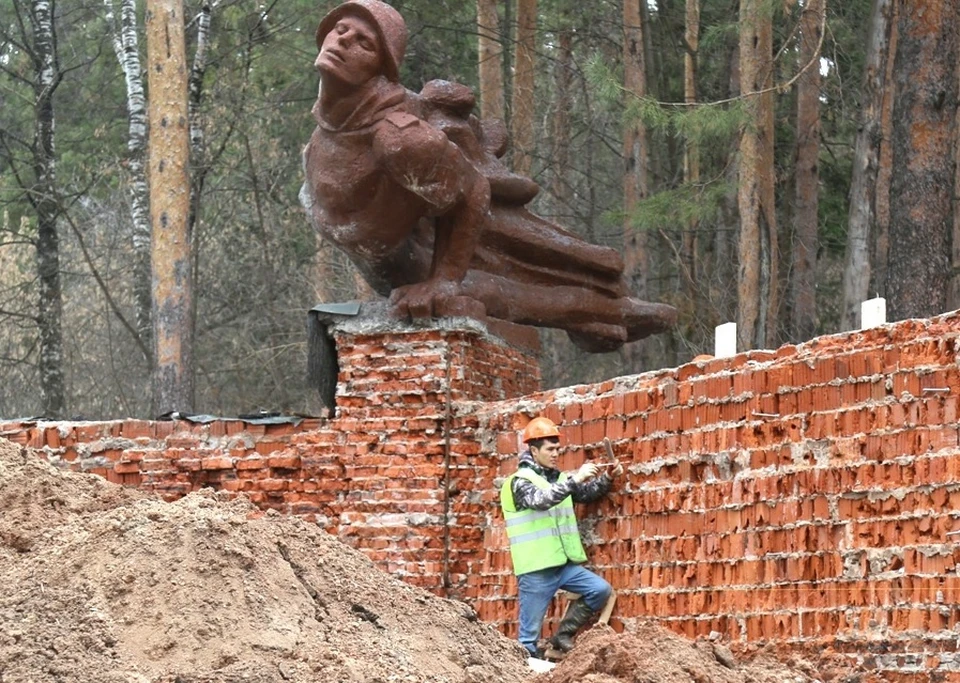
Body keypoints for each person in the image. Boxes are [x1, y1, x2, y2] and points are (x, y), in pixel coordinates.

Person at [302, 0, 677, 353]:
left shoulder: (399, 139)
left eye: (363, 42)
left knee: (492, 291)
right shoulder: (320, 141)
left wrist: (444, 280)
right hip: (386, 261)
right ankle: (603, 311)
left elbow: (473, 190)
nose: (343, 40)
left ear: (381, 69)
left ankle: (604, 310)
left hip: (417, 263)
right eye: (339, 29)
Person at [499, 416, 622, 658]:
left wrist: (607, 477)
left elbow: (586, 494)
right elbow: (542, 501)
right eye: (550, 449)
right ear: (534, 451)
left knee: (599, 590)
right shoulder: (519, 482)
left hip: (562, 564)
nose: (556, 453)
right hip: (536, 569)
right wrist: (575, 479)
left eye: (558, 448)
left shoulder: (558, 479)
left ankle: (562, 636)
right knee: (527, 639)